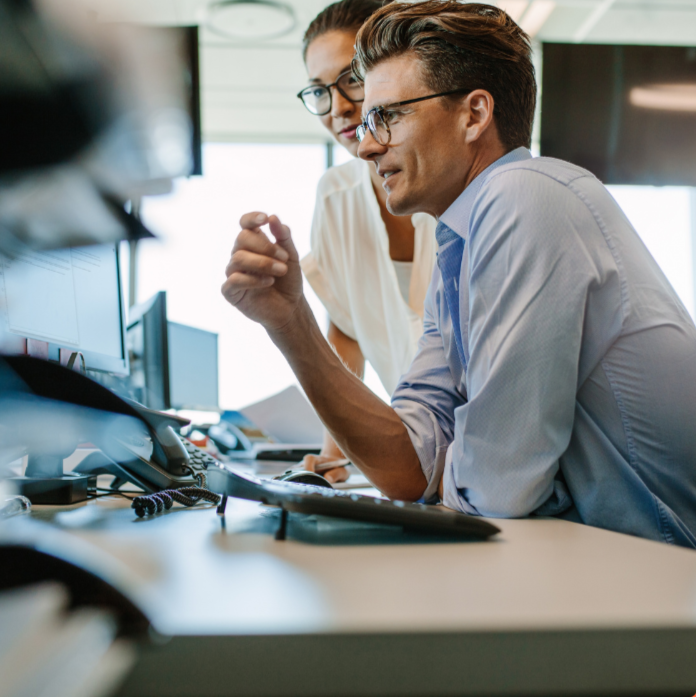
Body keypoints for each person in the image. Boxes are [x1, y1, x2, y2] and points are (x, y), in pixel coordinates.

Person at [222, 1, 696, 547]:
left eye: (389, 116)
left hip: (669, 567)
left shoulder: (524, 197)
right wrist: (290, 323)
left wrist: (445, 468)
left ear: (474, 114)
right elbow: (407, 469)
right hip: (613, 559)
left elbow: (495, 489)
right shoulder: (458, 248)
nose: (367, 143)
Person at [297, 0, 437, 482]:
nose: (338, 108)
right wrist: (333, 453)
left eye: (352, 78)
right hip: (418, 459)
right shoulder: (335, 197)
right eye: (319, 91)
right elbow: (346, 328)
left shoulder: (455, 182)